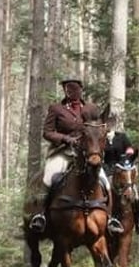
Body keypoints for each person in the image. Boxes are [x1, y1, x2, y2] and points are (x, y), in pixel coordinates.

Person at [28, 78, 124, 235]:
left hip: (87, 153)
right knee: (49, 176)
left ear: (81, 90)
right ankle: (40, 215)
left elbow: (98, 126)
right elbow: (47, 132)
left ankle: (111, 218)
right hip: (63, 151)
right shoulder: (56, 109)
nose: (72, 92)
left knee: (105, 181)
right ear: (65, 91)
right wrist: (66, 139)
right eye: (68, 89)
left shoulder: (90, 108)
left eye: (75, 89)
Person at [103, 115, 139, 235]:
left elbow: (129, 147)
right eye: (107, 123)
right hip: (106, 170)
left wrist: (130, 152)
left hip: (122, 170)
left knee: (135, 194)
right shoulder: (101, 138)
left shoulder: (121, 137)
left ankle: (138, 222)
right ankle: (109, 219)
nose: (109, 126)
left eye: (111, 123)